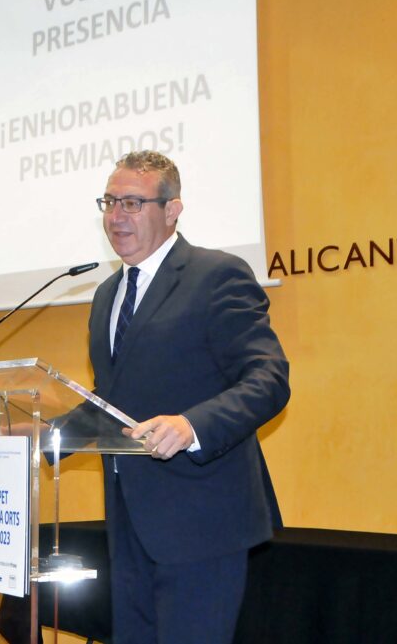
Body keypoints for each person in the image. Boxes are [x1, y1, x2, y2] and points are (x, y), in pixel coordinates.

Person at [88, 151, 290, 644]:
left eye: (132, 203)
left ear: (172, 210)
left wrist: (192, 426)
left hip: (203, 523)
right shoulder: (106, 295)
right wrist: (40, 429)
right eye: (110, 202)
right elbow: (111, 400)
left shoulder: (215, 275)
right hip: (128, 525)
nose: (116, 216)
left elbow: (268, 378)